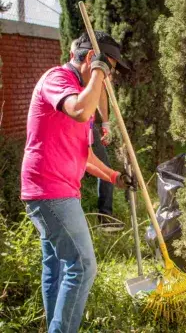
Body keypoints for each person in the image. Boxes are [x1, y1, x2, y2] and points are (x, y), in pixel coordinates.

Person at [21, 31, 131, 332]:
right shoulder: (56, 79)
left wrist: (114, 176)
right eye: (105, 69)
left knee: (56, 267)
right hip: (49, 191)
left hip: (59, 189)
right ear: (86, 59)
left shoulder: (82, 92)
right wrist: (97, 72)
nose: (106, 79)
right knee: (82, 266)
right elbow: (80, 111)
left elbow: (84, 155)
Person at [71, 40, 115, 222]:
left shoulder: (91, 76)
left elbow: (100, 93)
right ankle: (74, 217)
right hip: (74, 130)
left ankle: (105, 216)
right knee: (74, 172)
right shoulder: (67, 80)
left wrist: (105, 123)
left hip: (89, 129)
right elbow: (78, 111)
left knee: (104, 167)